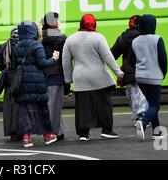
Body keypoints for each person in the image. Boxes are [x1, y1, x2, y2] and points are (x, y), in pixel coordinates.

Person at [62, 14, 124, 141]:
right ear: (94, 24)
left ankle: (83, 133)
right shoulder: (98, 38)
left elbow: (66, 61)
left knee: (83, 106)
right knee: (104, 104)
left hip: (80, 78)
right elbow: (108, 58)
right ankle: (106, 130)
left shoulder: (71, 39)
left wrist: (68, 78)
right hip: (99, 77)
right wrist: (118, 72)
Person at [12, 21, 59, 148]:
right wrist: (53, 59)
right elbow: (42, 64)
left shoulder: (17, 46)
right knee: (41, 109)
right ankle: (47, 135)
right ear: (33, 31)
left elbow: (14, 66)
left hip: (23, 82)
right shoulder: (37, 46)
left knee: (25, 110)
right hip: (37, 81)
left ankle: (27, 138)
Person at [128, 14, 168, 141]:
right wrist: (164, 73)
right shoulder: (157, 39)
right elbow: (163, 59)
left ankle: (157, 132)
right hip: (154, 76)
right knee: (155, 105)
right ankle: (143, 122)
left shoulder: (135, 41)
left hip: (140, 77)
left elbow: (130, 60)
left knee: (151, 103)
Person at [110, 15, 148, 123]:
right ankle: (142, 118)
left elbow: (112, 55)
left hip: (129, 73)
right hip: (144, 71)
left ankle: (138, 117)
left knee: (134, 96)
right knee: (144, 95)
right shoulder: (145, 37)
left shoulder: (122, 38)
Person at [41, 12, 68, 140]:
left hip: (44, 75)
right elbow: (66, 58)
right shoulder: (61, 37)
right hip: (58, 74)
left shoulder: (39, 37)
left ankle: (58, 131)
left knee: (49, 105)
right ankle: (53, 132)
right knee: (56, 106)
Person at [0, 27, 20, 141]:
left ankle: (11, 132)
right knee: (19, 106)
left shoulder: (5, 45)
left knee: (8, 107)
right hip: (19, 79)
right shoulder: (22, 45)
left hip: (8, 80)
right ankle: (20, 131)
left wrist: (5, 69)